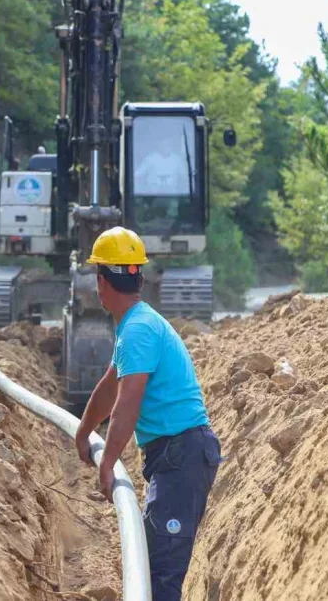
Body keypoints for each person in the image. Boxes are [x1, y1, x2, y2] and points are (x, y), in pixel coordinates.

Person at [73, 226, 222, 601]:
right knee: (155, 566)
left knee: (160, 575)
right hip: (175, 455)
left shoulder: (138, 329)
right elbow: (110, 387)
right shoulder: (136, 325)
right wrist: (83, 430)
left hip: (181, 456)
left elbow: (126, 401)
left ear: (102, 282)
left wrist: (107, 462)